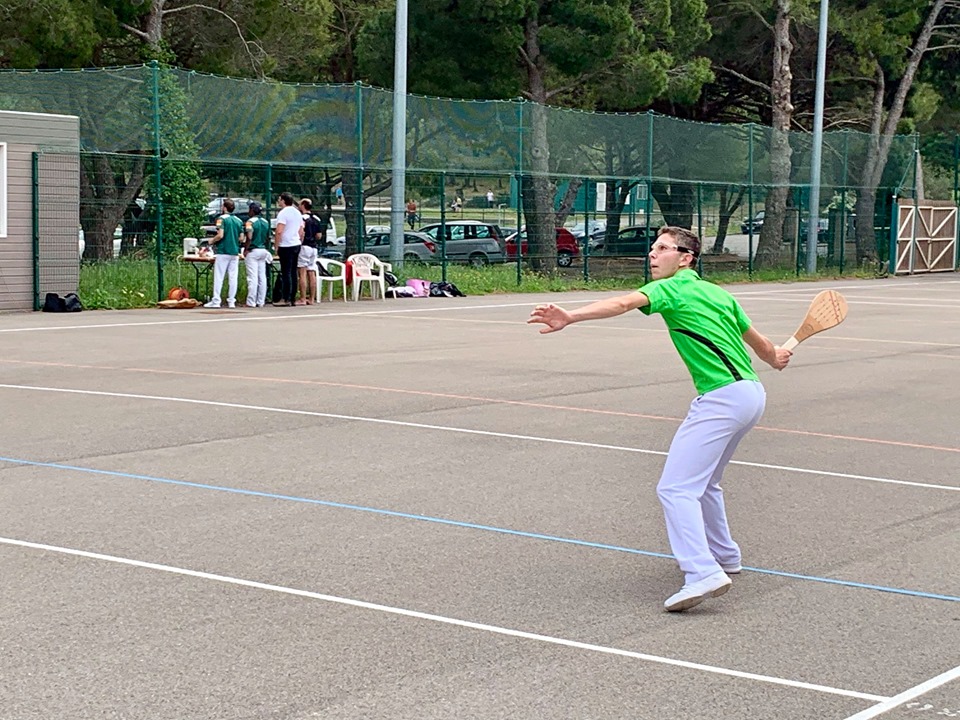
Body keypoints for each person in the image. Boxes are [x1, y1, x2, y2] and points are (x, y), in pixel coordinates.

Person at [527, 226, 792, 613]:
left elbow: (622, 304)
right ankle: (725, 556)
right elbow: (765, 349)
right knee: (706, 484)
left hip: (721, 399)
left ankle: (702, 572)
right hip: (751, 394)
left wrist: (571, 315)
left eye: (663, 248)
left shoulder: (672, 289)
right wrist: (777, 357)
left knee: (675, 489)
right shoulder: (718, 293)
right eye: (652, 248)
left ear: (686, 258)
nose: (652, 254)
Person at [204, 198, 243, 308]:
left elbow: (220, 235)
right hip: (234, 252)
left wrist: (212, 240)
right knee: (233, 277)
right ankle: (231, 301)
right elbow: (241, 238)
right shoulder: (239, 221)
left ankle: (216, 300)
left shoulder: (221, 219)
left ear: (224, 207)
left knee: (219, 276)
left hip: (223, 250)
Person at [274, 192, 304, 306]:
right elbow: (301, 230)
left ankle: (285, 297)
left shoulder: (283, 213)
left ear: (283, 200)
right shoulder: (297, 212)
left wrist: (276, 245)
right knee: (293, 271)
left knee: (285, 271)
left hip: (286, 245)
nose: (278, 201)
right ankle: (292, 298)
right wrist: (299, 241)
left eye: (279, 199)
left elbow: (279, 231)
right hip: (296, 244)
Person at [243, 201, 271, 307]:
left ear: (252, 210)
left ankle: (251, 301)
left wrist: (246, 248)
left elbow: (249, 237)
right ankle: (261, 301)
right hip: (263, 249)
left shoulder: (250, 222)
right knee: (262, 277)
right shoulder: (265, 221)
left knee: (252, 277)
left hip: (253, 250)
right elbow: (268, 237)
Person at [297, 197, 323, 305]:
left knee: (302, 273)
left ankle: (303, 298)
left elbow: (301, 233)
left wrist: (299, 242)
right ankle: (312, 298)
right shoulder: (317, 219)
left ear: (303, 205)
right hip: (314, 247)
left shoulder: (302, 218)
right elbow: (319, 236)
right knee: (311, 272)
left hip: (304, 246)